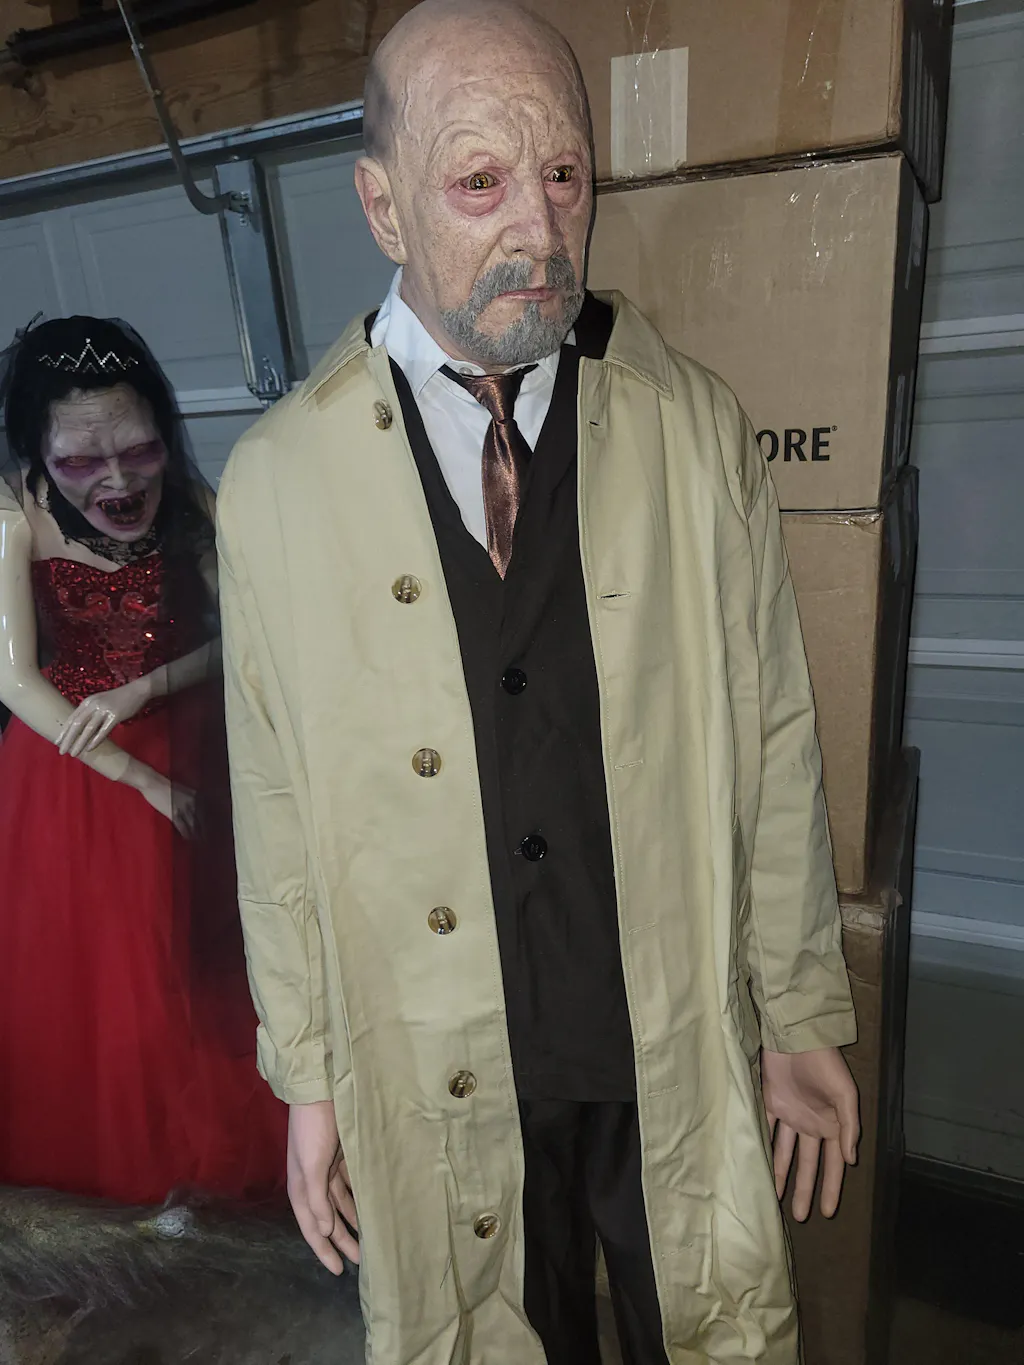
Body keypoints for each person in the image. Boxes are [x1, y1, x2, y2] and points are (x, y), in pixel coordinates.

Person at [216, 1, 861, 1361]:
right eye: (479, 181)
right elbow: (274, 810)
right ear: (383, 207)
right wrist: (312, 1077)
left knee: (711, 1321)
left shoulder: (693, 430)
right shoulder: (278, 484)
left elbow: (773, 738)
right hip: (439, 1057)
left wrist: (798, 1008)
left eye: (564, 173)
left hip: (658, 1033)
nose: (540, 227)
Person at [0, 315, 287, 1206]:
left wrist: (143, 689)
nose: (119, 481)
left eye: (139, 451)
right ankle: (124, 1164)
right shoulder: (11, 515)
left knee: (211, 958)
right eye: (82, 461)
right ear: (37, 450)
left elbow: (253, 630)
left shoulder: (192, 503)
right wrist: (142, 779)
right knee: (103, 978)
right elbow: (12, 678)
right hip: (71, 766)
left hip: (192, 739)